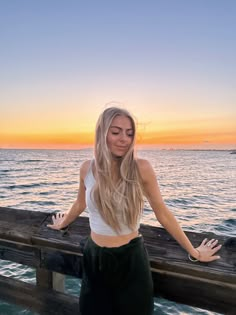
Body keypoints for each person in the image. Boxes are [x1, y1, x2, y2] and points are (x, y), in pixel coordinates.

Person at [48, 107, 221, 315]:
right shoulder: (87, 168)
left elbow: (163, 213)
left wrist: (193, 252)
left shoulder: (141, 168)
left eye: (129, 133)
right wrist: (63, 222)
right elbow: (79, 204)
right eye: (116, 132)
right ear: (102, 133)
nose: (124, 139)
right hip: (94, 258)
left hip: (130, 260)